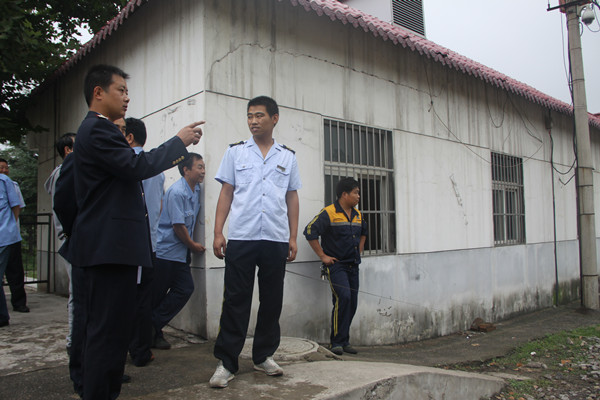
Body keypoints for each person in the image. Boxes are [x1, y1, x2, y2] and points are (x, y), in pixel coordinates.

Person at [55, 64, 204, 400]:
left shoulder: (97, 131)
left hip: (112, 249)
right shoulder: (97, 129)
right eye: (120, 90)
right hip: (106, 250)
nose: (127, 97)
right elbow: (136, 166)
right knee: (105, 333)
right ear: (98, 93)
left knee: (113, 332)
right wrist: (178, 143)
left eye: (127, 91)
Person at [210, 96, 301, 388]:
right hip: (242, 236)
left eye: (259, 115)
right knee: (236, 300)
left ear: (274, 118)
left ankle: (263, 356)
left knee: (271, 300)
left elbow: (292, 197)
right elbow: (226, 192)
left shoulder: (287, 157)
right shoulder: (236, 153)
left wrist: (292, 236)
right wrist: (218, 232)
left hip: (275, 237)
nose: (253, 121)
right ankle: (227, 362)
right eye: (250, 116)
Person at [303, 177, 367, 356]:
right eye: (356, 192)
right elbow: (309, 231)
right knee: (343, 297)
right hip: (336, 266)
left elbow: (364, 232)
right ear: (344, 194)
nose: (358, 196)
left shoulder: (358, 215)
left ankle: (344, 341)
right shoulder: (329, 213)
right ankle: (336, 342)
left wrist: (359, 250)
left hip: (353, 266)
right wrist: (323, 256)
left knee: (352, 303)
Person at [152, 152, 205, 350]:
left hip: (180, 254)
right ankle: (152, 332)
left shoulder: (196, 189)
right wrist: (193, 245)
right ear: (186, 170)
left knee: (185, 288)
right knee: (157, 295)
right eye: (199, 167)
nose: (203, 171)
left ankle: (151, 325)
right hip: (166, 252)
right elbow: (178, 226)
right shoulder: (176, 192)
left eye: (203, 167)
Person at [123, 117, 164, 366]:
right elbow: (158, 205)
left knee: (128, 299)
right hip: (151, 243)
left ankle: (135, 349)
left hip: (130, 245)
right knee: (143, 299)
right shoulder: (155, 169)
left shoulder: (126, 164)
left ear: (129, 138)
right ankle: (141, 349)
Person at [44, 133, 76, 350]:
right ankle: (73, 341)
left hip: (70, 239)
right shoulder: (63, 173)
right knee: (78, 294)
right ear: (68, 150)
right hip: (70, 241)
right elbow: (64, 208)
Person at [0, 158, 28, 313]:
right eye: (1, 167)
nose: (4, 170)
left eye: (6, 167)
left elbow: (17, 206)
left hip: (9, 235)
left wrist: (10, 225)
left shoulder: (8, 182)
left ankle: (19, 303)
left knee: (15, 271)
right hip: (6, 234)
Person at [0, 171, 22, 327]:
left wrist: (11, 227)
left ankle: (2, 316)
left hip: (4, 236)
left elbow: (16, 206)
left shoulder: (4, 181)